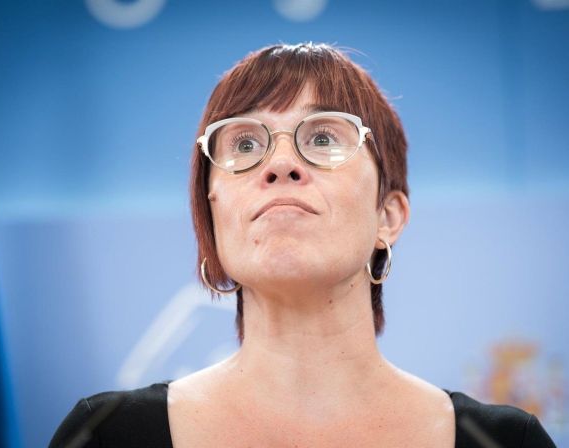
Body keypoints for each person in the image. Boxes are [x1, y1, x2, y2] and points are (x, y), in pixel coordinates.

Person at [49, 42, 556, 448]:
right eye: (245, 144)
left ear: (388, 215)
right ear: (211, 210)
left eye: (323, 139)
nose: (280, 164)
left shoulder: (506, 441)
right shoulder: (107, 435)